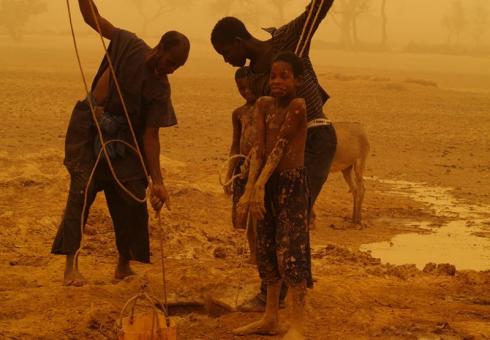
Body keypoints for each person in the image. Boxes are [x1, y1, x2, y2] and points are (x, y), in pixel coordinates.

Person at [51, 0, 190, 286]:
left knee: (132, 199)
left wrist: (158, 181)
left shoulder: (160, 87)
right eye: (170, 62)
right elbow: (95, 20)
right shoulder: (128, 43)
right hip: (91, 129)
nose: (172, 69)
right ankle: (70, 267)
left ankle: (123, 265)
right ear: (160, 48)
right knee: (81, 194)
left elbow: (151, 135)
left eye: (178, 66)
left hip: (126, 143)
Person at [211, 0, 337, 310]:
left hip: (314, 138)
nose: (227, 61)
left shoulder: (285, 40)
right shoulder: (254, 79)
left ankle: (287, 294)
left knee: (293, 215)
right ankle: (276, 289)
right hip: (282, 145)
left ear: (238, 42)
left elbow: (315, 13)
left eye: (226, 53)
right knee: (271, 216)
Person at [234, 51, 310, 339]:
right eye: (274, 76)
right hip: (265, 182)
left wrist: (260, 185)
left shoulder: (298, 106)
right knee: (265, 246)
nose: (277, 81)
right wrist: (250, 188)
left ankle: (298, 324)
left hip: (290, 185)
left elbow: (280, 147)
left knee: (290, 251)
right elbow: (259, 149)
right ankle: (270, 317)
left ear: (297, 81)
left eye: (284, 76)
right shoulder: (263, 105)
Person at [223, 66, 257, 261]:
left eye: (249, 87)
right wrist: (229, 173)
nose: (246, 92)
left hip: (258, 167)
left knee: (257, 212)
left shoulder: (265, 107)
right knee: (243, 217)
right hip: (242, 167)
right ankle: (253, 253)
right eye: (241, 89)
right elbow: (235, 143)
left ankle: (260, 253)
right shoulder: (238, 113)